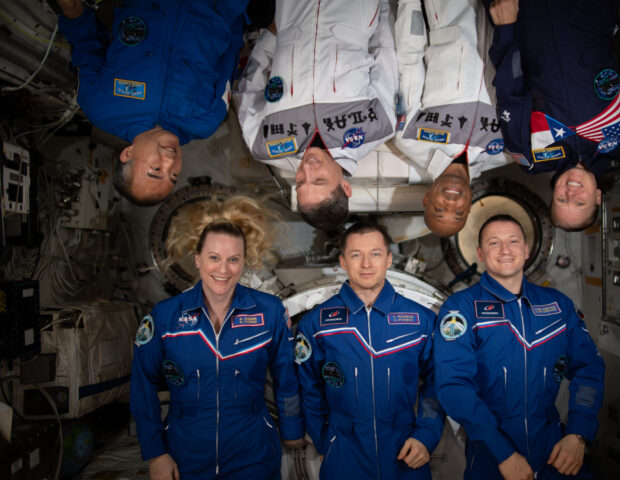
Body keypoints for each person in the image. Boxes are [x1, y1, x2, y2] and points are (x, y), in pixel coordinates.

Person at [130, 196, 304, 480]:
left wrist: (293, 428)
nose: (223, 270)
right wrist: (155, 454)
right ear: (197, 259)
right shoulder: (165, 316)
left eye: (233, 260)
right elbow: (142, 385)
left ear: (244, 262)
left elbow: (287, 379)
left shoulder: (269, 311)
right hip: (185, 453)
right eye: (214, 258)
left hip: (253, 451)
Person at [433, 214, 605, 480]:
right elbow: (454, 386)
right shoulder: (461, 309)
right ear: (480, 253)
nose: (505, 250)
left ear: (526, 250)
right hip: (491, 452)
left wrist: (578, 433)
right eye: (494, 243)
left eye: (513, 241)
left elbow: (589, 369)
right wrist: (502, 453)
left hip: (554, 449)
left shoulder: (557, 305)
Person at [485, 0, 620, 231]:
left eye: (562, 199)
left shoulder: (532, 158)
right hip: (590, 10)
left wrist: (505, 29)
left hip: (524, 15)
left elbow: (510, 92)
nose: (571, 193)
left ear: (553, 193)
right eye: (580, 203)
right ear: (597, 196)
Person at [56, 0, 253, 205]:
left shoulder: (100, 107)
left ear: (128, 154)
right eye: (174, 175)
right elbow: (230, 55)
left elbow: (86, 43)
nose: (170, 162)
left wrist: (72, 9)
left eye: (156, 169)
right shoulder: (205, 121)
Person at [294, 222, 444, 479]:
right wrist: (325, 442)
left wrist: (426, 434)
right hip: (344, 449)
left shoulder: (420, 320)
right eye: (356, 255)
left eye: (375, 254)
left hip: (405, 447)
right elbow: (308, 389)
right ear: (343, 261)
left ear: (388, 259)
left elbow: (438, 381)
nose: (366, 264)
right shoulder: (317, 324)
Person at [233, 0, 398, 230]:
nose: (307, 169)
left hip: (292, 12)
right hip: (351, 11)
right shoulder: (378, 126)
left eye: (300, 181)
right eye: (319, 180)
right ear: (345, 186)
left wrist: (270, 39)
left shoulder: (264, 145)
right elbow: (385, 50)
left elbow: (246, 92)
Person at [394, 0, 509, 237]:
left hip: (450, 10)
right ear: (469, 206)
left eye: (439, 210)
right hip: (507, 16)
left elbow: (409, 60)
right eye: (457, 212)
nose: (450, 203)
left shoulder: (409, 138)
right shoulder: (506, 152)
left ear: (427, 198)